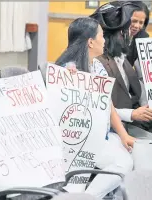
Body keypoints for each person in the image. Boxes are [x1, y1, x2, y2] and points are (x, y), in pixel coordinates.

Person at [56, 17, 136, 198]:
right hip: (77, 141)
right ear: (91, 42)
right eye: (102, 36)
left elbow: (108, 105)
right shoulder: (66, 69)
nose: (105, 40)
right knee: (122, 164)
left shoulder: (98, 66)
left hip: (100, 135)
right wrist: (70, 81)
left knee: (129, 158)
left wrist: (124, 135)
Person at [90, 2, 152, 141]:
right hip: (111, 127)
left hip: (130, 117)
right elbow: (101, 107)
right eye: (128, 26)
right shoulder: (96, 63)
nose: (132, 31)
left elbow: (135, 88)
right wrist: (132, 114)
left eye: (140, 23)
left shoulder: (121, 57)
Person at [126, 1, 150, 66]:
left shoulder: (143, 37)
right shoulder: (112, 36)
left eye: (141, 23)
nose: (137, 26)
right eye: (134, 21)